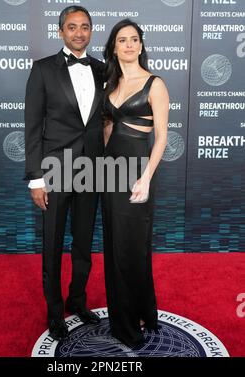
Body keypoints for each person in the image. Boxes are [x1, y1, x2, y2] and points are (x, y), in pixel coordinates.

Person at [24, 6, 104, 341]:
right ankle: (55, 312)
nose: (79, 33)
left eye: (85, 27)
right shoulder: (43, 69)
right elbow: (32, 127)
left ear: (90, 31)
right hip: (54, 171)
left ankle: (78, 300)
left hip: (93, 170)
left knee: (83, 243)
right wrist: (36, 179)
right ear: (60, 31)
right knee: (53, 245)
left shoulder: (103, 69)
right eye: (72, 27)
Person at [102, 19, 169, 348]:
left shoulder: (154, 84)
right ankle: (132, 313)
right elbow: (107, 130)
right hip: (110, 173)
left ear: (141, 46)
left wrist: (145, 177)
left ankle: (132, 324)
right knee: (114, 245)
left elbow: (162, 137)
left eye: (134, 39)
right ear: (114, 47)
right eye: (122, 40)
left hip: (137, 174)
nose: (128, 44)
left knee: (133, 248)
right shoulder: (109, 84)